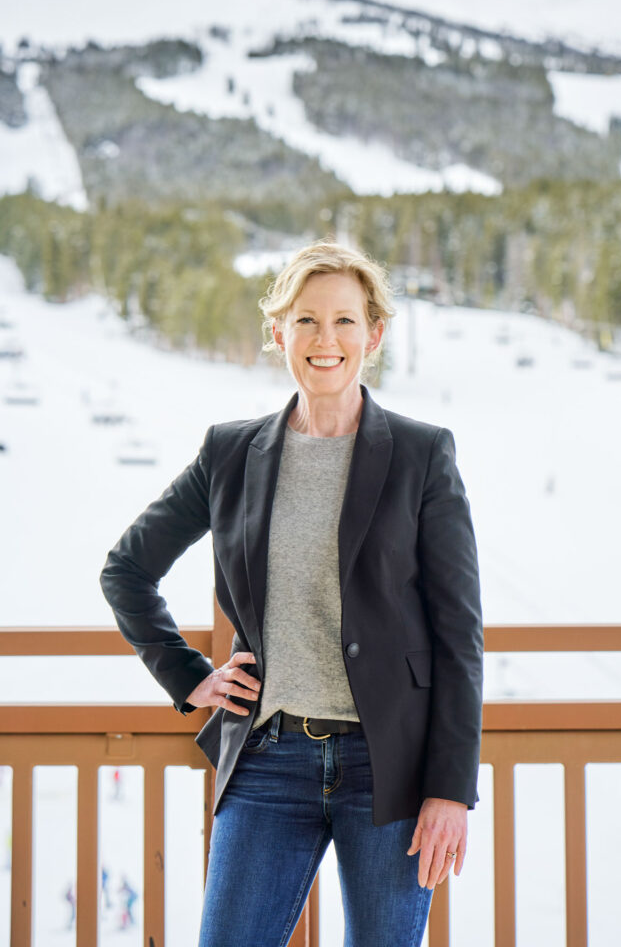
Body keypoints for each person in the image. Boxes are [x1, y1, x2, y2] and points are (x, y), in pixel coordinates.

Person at [100, 239, 483, 947]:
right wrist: (189, 677)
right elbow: (125, 570)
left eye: (343, 321)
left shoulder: (422, 454)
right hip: (268, 762)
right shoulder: (229, 454)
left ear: (373, 333)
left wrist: (450, 788)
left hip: (390, 770)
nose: (324, 339)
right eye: (305, 321)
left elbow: (460, 636)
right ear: (277, 333)